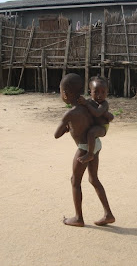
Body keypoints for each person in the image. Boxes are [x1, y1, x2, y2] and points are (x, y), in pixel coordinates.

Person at [54, 73, 115, 227]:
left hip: (85, 147)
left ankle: (78, 218)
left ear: (65, 94)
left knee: (75, 181)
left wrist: (66, 127)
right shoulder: (87, 106)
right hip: (96, 144)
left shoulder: (71, 113)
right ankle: (108, 214)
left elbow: (56, 135)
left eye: (61, 91)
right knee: (93, 179)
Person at [77, 75, 114, 164]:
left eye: (103, 92)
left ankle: (90, 154)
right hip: (93, 124)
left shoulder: (104, 104)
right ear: (90, 92)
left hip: (102, 127)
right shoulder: (89, 102)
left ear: (107, 93)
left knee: (92, 132)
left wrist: (86, 103)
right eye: (96, 92)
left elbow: (97, 113)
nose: (99, 95)